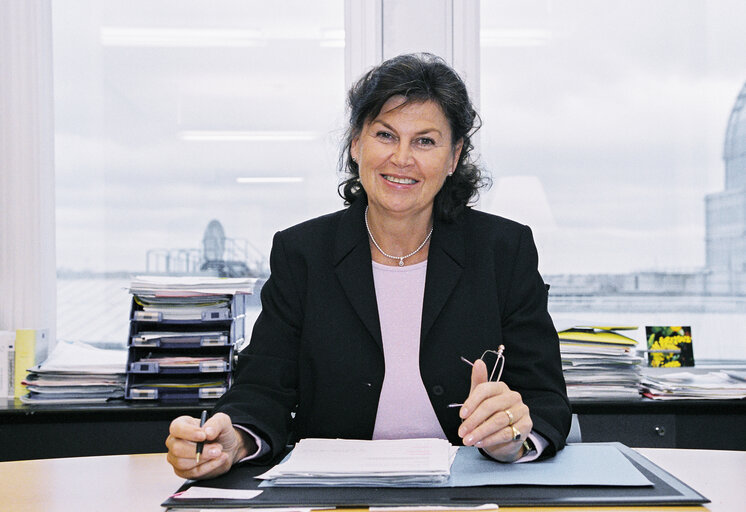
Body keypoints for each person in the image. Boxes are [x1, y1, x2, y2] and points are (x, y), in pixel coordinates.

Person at [166, 53, 571, 480]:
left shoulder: (503, 250)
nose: (401, 158)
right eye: (385, 134)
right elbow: (263, 386)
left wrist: (514, 437)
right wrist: (235, 440)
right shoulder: (302, 252)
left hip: (470, 487)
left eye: (425, 141)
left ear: (454, 158)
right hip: (334, 491)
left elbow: (545, 398)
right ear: (356, 145)